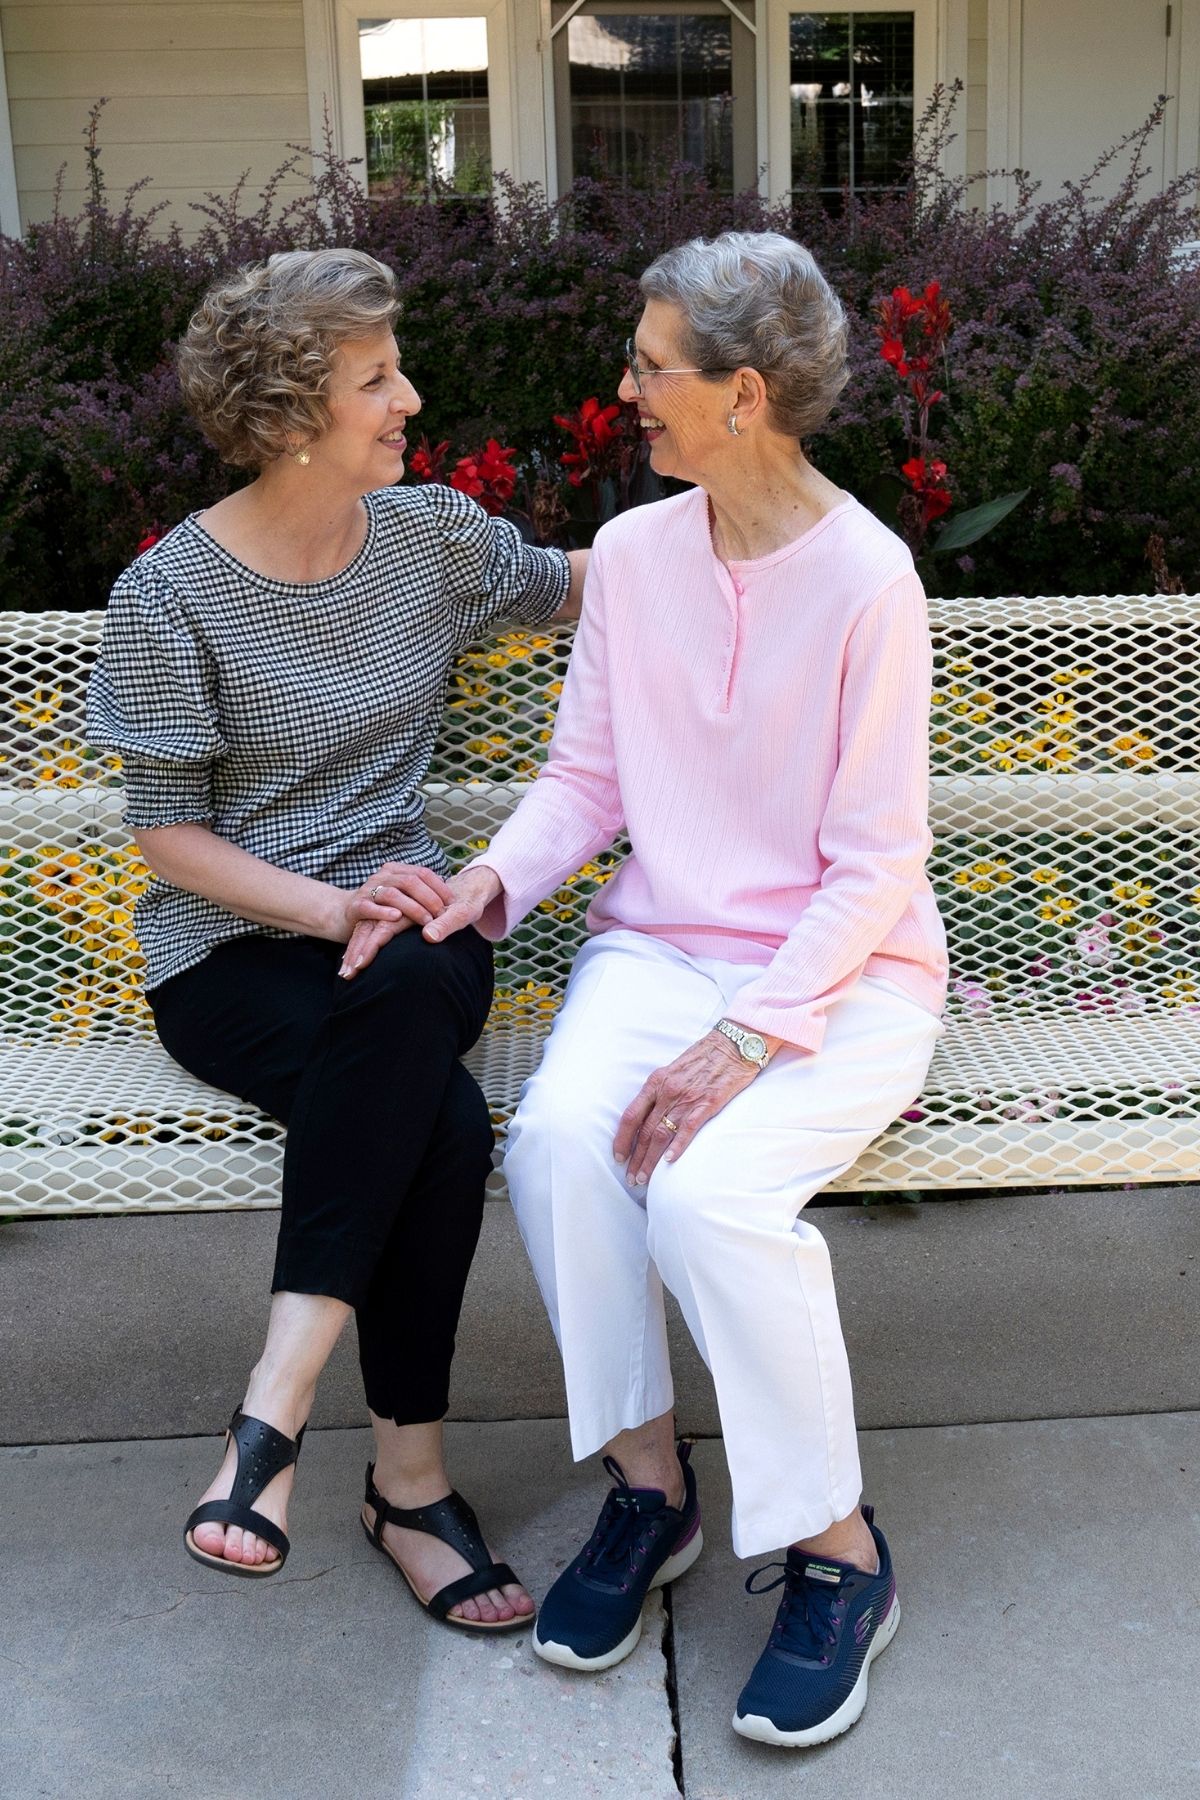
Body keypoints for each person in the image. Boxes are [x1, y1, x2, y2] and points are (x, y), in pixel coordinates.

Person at [350, 229, 948, 1741]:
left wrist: (749, 1039)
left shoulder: (872, 579)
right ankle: (649, 1486)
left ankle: (838, 1550)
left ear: (744, 395)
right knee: (557, 1143)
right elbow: (588, 780)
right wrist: (496, 882)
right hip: (663, 943)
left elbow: (874, 862)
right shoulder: (632, 554)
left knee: (705, 1197)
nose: (628, 388)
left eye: (651, 365)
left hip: (843, 973)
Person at [86, 247, 585, 1630]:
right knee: (434, 1124)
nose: (409, 399)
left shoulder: (430, 537)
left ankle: (273, 1415)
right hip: (237, 954)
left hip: (413, 933)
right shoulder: (172, 593)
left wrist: (761, 531)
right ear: (294, 417)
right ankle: (410, 1488)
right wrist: (329, 906)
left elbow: (581, 586)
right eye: (378, 380)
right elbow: (167, 835)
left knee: (419, 967)